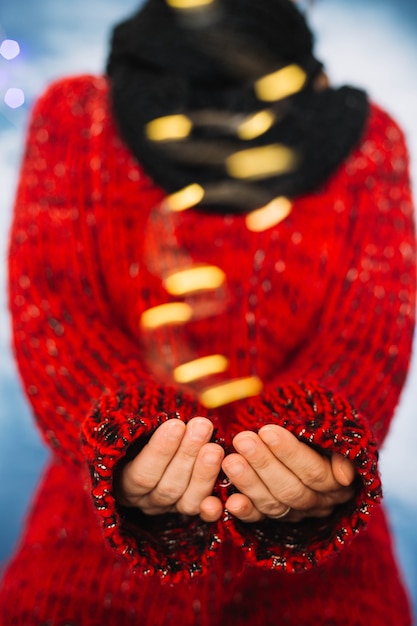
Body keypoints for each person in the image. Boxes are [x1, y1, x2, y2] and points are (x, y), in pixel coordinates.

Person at [0, 0, 415, 624]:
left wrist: (315, 445)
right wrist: (128, 440)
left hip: (329, 581)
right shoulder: (77, 118)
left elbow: (372, 326)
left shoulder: (368, 139)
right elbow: (56, 308)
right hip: (84, 563)